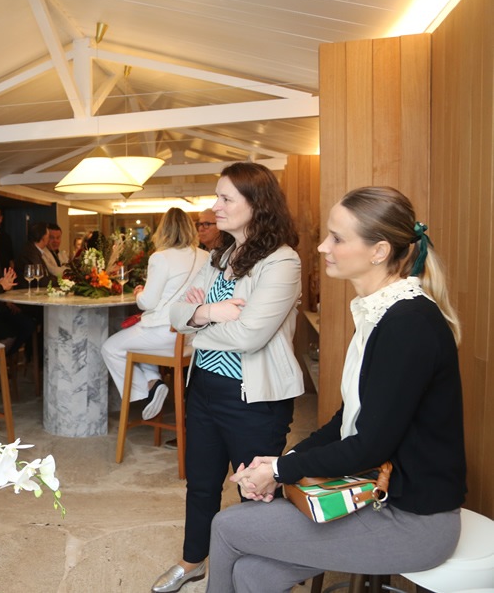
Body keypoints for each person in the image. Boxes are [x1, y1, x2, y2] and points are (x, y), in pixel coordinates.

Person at [208, 187, 466, 593]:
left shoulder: (409, 324)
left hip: (414, 520)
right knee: (254, 574)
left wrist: (278, 472)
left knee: (227, 526)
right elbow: (345, 421)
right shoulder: (382, 313)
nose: (323, 246)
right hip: (374, 494)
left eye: (337, 238)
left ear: (378, 251)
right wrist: (283, 461)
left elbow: (369, 446)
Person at [152, 162, 303, 593]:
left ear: (256, 204)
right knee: (200, 484)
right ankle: (192, 560)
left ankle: (257, 574)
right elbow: (176, 313)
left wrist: (198, 324)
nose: (214, 207)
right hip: (203, 387)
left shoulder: (282, 260)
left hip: (253, 398)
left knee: (254, 491)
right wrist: (210, 311)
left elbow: (251, 335)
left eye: (225, 198)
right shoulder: (220, 255)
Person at [100, 208, 207, 420]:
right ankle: (153, 381)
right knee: (138, 345)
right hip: (191, 336)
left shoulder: (161, 257)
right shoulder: (205, 256)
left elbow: (147, 303)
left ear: (163, 230)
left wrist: (139, 293)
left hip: (164, 332)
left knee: (110, 348)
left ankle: (148, 389)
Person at [0, 221, 35, 355]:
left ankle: (3, 361)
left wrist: (3, 287)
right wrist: (1, 287)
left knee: (27, 324)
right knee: (11, 332)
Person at [16, 222, 58, 288]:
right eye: (48, 235)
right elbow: (42, 280)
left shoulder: (33, 250)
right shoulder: (30, 252)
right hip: (27, 291)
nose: (48, 239)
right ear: (43, 237)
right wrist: (60, 280)